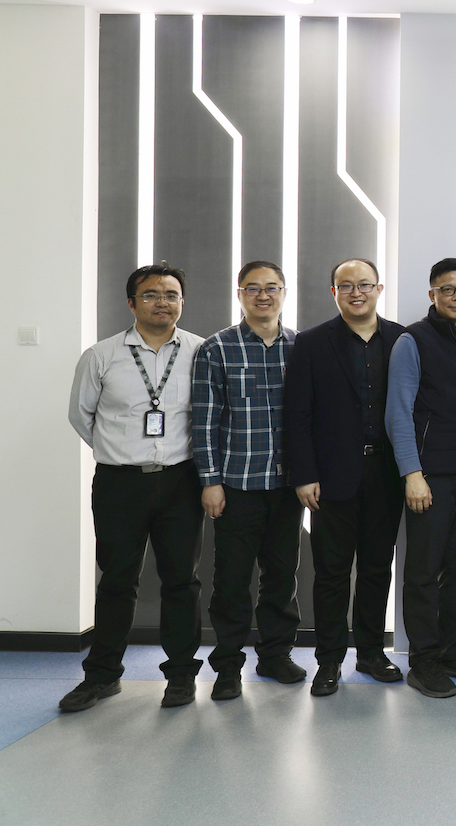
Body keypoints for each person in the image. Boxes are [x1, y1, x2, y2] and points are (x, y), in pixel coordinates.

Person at [62, 265, 206, 712]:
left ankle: (181, 675)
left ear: (182, 302)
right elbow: (81, 415)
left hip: (181, 481)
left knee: (181, 581)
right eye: (150, 295)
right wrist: (119, 450)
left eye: (171, 294)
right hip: (119, 483)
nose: (162, 302)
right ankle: (102, 676)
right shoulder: (101, 355)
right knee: (117, 580)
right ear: (131, 303)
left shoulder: (201, 352)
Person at [283, 258, 406, 697]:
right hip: (331, 477)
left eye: (365, 285)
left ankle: (371, 653)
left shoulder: (402, 340)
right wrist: (304, 475)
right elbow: (297, 414)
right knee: (332, 572)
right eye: (346, 286)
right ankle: (329, 660)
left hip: (387, 473)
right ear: (334, 292)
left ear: (379, 289)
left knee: (376, 568)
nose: (357, 293)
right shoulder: (312, 342)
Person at [386, 257, 456, 699]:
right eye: (447, 289)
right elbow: (398, 412)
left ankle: (454, 650)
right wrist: (412, 473)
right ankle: (424, 661)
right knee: (423, 571)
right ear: (432, 294)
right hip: (429, 477)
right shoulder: (412, 340)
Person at [192, 260, 303, 701]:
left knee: (282, 576)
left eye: (272, 287)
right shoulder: (216, 348)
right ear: (239, 295)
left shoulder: (301, 347)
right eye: (253, 288)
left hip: (287, 486)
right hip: (236, 485)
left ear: (284, 293)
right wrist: (210, 480)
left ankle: (275, 655)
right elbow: (204, 421)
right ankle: (227, 666)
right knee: (232, 580)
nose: (263, 295)